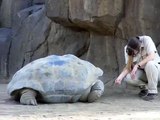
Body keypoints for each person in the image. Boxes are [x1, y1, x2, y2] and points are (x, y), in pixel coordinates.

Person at [115, 35, 160, 101]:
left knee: (150, 64)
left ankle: (153, 92)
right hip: (144, 73)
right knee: (127, 77)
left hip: (156, 71)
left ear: (138, 47)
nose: (133, 55)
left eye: (134, 53)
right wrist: (120, 77)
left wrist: (137, 65)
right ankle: (145, 89)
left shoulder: (146, 40)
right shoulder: (127, 49)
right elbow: (128, 67)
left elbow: (151, 56)